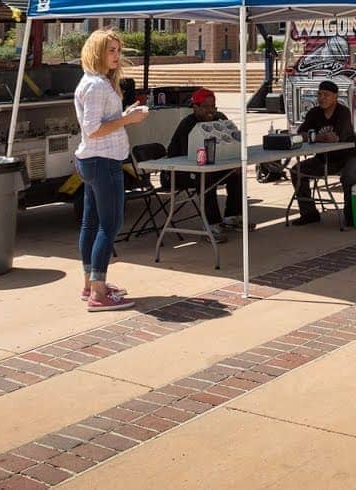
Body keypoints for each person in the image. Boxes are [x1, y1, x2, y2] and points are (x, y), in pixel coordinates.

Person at [73, 28, 150, 311]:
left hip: (95, 159)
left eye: (118, 50)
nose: (117, 56)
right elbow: (92, 129)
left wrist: (124, 116)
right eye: (111, 50)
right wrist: (128, 120)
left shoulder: (97, 82)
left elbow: (98, 124)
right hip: (102, 160)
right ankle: (99, 293)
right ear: (97, 53)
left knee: (91, 223)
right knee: (110, 224)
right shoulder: (95, 85)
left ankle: (91, 283)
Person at [166, 88, 244, 236]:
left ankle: (232, 216)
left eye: (213, 106)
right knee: (205, 179)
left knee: (236, 173)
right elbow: (188, 155)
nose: (210, 111)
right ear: (195, 107)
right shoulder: (187, 124)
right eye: (206, 107)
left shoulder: (219, 118)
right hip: (180, 171)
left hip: (211, 166)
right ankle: (212, 223)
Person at [291, 80, 356, 226]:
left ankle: (351, 217)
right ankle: (309, 213)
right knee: (296, 171)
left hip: (348, 157)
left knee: (348, 178)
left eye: (326, 95)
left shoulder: (343, 112)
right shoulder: (314, 113)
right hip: (324, 159)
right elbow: (300, 134)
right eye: (319, 94)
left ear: (335, 97)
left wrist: (313, 137)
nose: (322, 98)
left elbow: (335, 138)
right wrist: (318, 137)